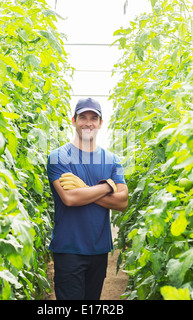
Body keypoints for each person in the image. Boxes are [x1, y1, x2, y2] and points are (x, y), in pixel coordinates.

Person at [46, 97, 129, 300]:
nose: (88, 122)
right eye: (83, 117)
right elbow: (70, 199)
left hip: (98, 248)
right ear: (73, 121)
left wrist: (83, 189)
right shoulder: (58, 157)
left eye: (94, 118)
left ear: (101, 123)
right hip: (68, 248)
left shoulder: (112, 160)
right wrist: (107, 186)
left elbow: (122, 202)